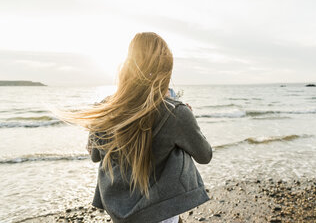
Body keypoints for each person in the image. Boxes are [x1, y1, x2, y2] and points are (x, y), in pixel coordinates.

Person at [60, 32, 212, 223]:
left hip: (119, 211)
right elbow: (204, 155)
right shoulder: (175, 112)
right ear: (165, 70)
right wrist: (187, 119)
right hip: (161, 212)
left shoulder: (105, 109)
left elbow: (95, 155)